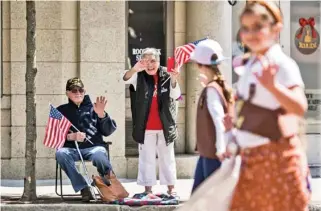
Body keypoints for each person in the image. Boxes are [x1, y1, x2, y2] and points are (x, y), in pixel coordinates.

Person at [225, 1, 311, 211]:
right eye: (245, 28)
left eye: (257, 27)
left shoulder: (282, 64)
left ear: (276, 29)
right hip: (250, 160)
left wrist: (273, 86)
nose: (250, 33)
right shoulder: (251, 64)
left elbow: (299, 107)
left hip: (276, 160)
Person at [123, 48, 181, 195]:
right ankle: (148, 189)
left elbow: (176, 95)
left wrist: (174, 79)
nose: (150, 64)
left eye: (153, 61)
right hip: (145, 126)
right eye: (146, 61)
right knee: (146, 159)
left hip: (165, 125)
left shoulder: (166, 74)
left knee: (167, 158)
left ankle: (171, 188)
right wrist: (134, 69)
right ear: (142, 62)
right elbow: (124, 79)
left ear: (158, 61)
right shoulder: (139, 75)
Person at [55, 77, 117, 202]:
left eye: (80, 90)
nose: (78, 93)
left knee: (99, 154)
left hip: (94, 147)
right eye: (74, 90)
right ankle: (84, 187)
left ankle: (108, 184)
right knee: (60, 154)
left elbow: (108, 131)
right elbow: (55, 134)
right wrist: (70, 136)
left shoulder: (94, 108)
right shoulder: (61, 111)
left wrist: (102, 115)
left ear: (84, 91)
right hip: (71, 149)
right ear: (67, 93)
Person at [188, 39, 234, 193]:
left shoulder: (212, 90)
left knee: (210, 198)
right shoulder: (218, 86)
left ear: (200, 64)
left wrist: (220, 149)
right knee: (199, 197)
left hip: (213, 154)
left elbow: (218, 119)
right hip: (207, 153)